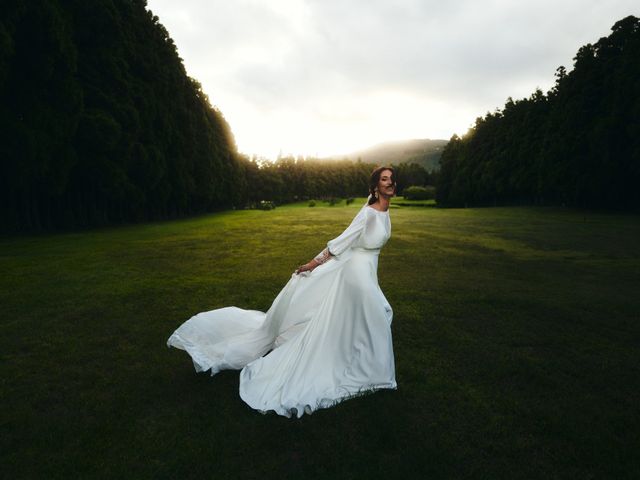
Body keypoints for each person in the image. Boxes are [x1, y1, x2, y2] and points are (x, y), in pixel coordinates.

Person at [167, 166, 397, 418]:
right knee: (377, 313)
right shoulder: (367, 214)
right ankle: (376, 373)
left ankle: (365, 364)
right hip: (356, 274)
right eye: (384, 179)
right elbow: (341, 242)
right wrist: (313, 264)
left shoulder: (385, 213)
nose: (389, 182)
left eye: (391, 179)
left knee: (361, 318)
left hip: (367, 270)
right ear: (375, 186)